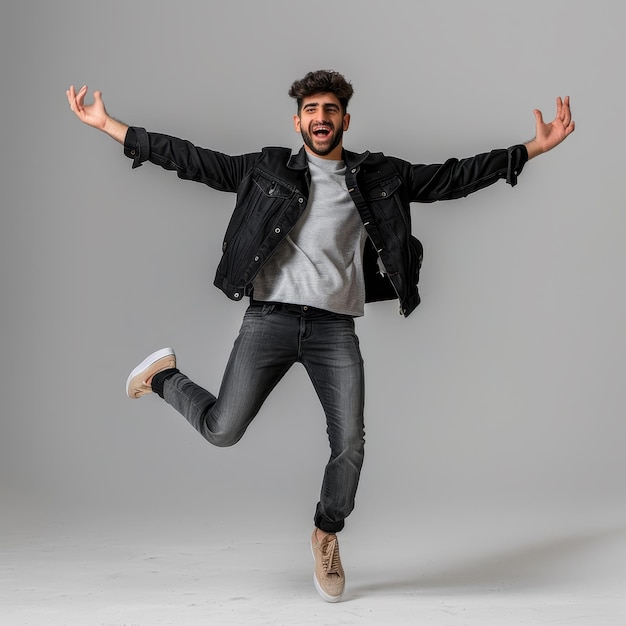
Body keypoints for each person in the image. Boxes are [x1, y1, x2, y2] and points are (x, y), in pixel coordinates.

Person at [66, 70, 574, 602]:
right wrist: (110, 126)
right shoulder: (265, 170)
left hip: (334, 329)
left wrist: (530, 150)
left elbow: (450, 178)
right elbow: (191, 159)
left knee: (350, 443)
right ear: (298, 121)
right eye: (311, 110)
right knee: (222, 430)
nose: (321, 118)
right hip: (270, 319)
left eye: (330, 110)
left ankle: (326, 532)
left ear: (345, 120)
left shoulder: (379, 176)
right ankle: (165, 377)